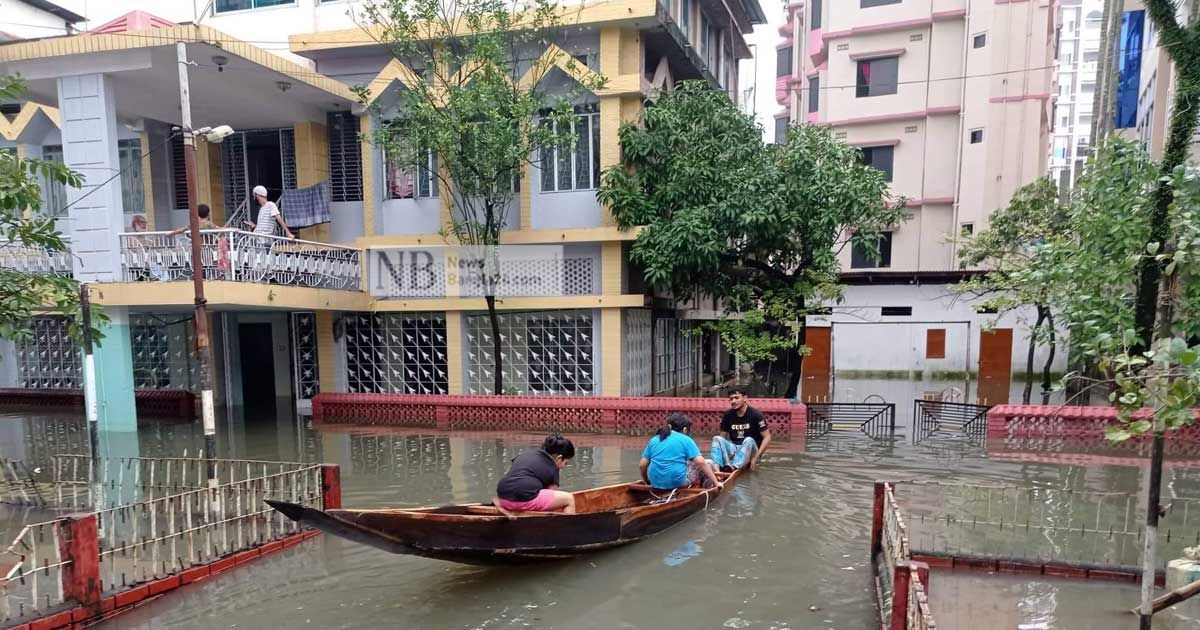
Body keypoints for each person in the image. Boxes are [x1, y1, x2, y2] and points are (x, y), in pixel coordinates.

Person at [493, 435, 577, 515]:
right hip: (522, 499)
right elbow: (551, 496)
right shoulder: (553, 467)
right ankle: (568, 528)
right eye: (565, 463)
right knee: (569, 499)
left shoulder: (525, 454)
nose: (564, 467)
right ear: (559, 458)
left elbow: (513, 473)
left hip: (502, 497)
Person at [640, 413, 723, 491]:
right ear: (685, 429)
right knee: (708, 463)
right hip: (677, 483)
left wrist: (646, 480)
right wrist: (716, 483)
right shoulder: (686, 440)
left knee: (689, 462)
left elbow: (642, 464)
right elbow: (701, 462)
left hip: (655, 483)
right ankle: (708, 489)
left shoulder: (654, 439)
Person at [710, 388, 772, 472]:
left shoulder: (756, 415)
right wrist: (723, 456)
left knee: (748, 440)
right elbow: (722, 437)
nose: (733, 401)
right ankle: (717, 470)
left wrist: (756, 457)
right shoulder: (728, 415)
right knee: (716, 438)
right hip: (735, 448)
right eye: (731, 399)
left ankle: (734, 467)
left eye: (736, 398)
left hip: (751, 450)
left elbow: (767, 437)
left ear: (745, 398)